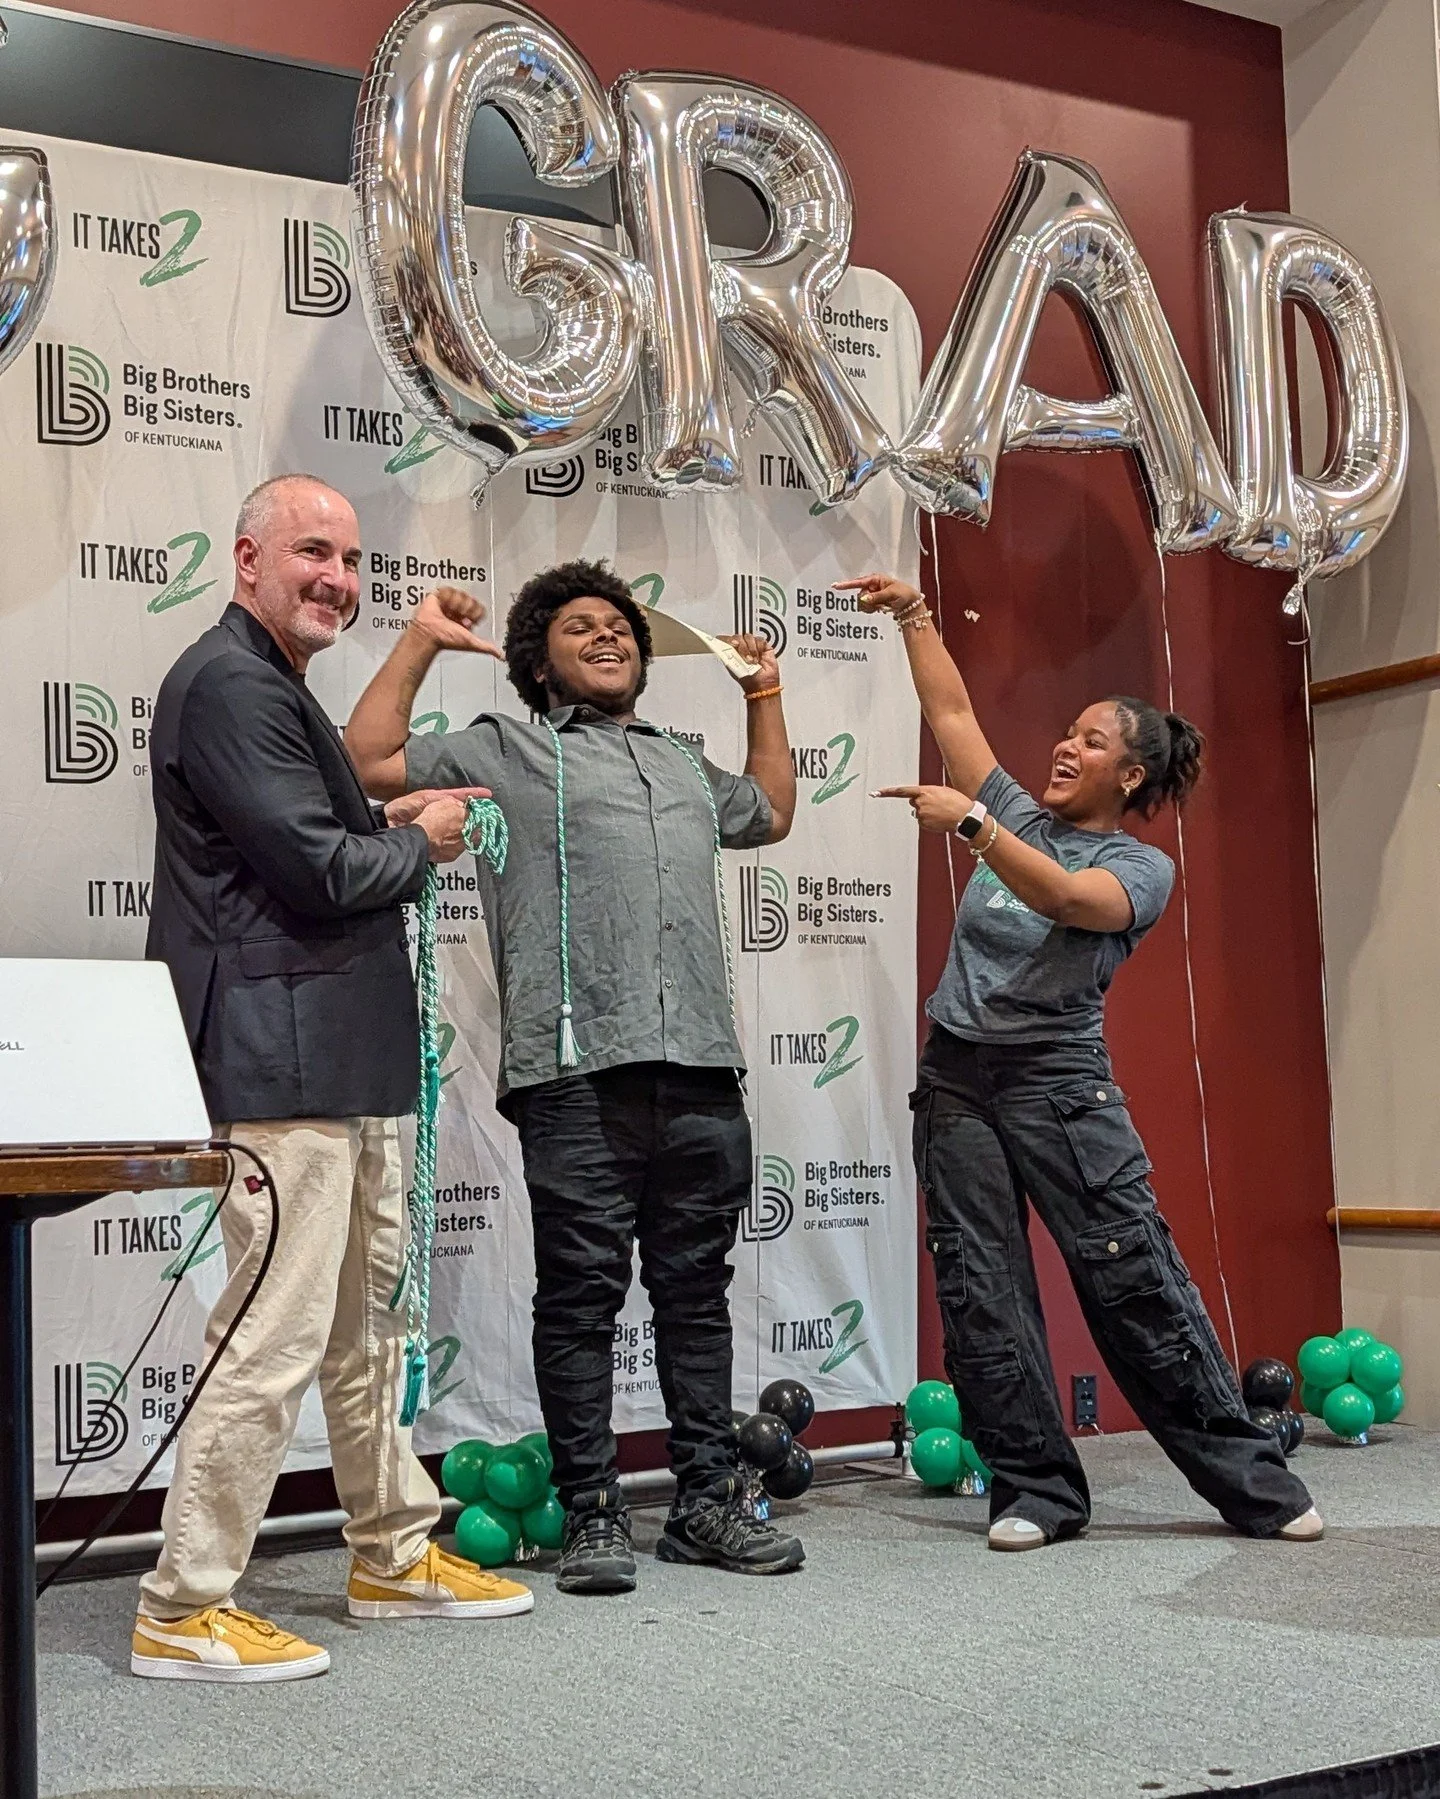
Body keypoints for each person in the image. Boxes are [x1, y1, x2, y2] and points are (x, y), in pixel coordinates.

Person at [135, 474, 533, 1684]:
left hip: (340, 1054)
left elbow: (314, 845)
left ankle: (392, 1553)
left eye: (353, 561)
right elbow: (316, 871)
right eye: (314, 551)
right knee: (275, 1333)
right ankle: (183, 1603)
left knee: (371, 1328)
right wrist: (423, 837)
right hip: (279, 1055)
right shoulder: (227, 684)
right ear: (246, 556)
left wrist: (392, 817)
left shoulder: (272, 685)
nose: (339, 579)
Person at [838, 570, 1323, 1552]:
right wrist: (914, 615)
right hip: (959, 1084)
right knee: (981, 1290)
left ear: (1132, 775)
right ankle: (1036, 1492)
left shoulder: (1141, 868)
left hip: (1061, 1092)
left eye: (1092, 739)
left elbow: (1068, 898)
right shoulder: (1020, 808)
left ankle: (1255, 1487)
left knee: (1132, 1279)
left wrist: (974, 826)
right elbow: (953, 709)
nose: (1066, 745)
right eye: (1069, 731)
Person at [346, 558, 805, 1594]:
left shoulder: (684, 765)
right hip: (571, 1078)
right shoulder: (505, 750)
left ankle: (702, 1505)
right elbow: (369, 757)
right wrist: (419, 639)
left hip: (699, 1069)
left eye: (621, 627)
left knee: (696, 1297)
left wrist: (763, 696)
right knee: (581, 1298)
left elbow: (770, 811)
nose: (609, 637)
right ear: (538, 665)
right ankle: (595, 1512)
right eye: (580, 628)